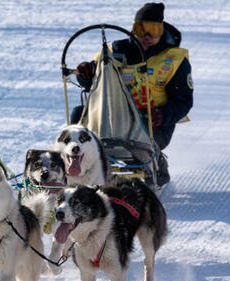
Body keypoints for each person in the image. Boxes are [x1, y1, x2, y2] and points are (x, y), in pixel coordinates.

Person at [72, 2, 193, 186]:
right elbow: (95, 79)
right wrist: (86, 73)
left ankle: (156, 160)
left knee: (142, 125)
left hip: (152, 123)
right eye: (141, 28)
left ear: (162, 30)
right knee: (77, 113)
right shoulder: (115, 51)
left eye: (153, 30)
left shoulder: (174, 60)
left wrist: (164, 114)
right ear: (133, 28)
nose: (146, 36)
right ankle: (74, 164)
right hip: (113, 118)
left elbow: (183, 100)